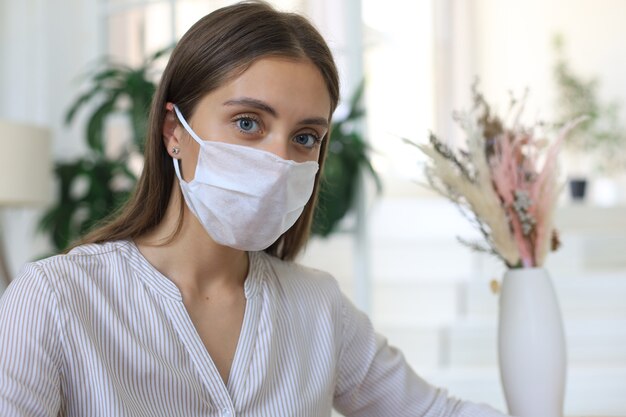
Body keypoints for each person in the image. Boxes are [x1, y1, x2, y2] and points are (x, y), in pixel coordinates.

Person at [0, 2, 509, 416]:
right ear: (174, 132)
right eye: (248, 123)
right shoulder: (55, 301)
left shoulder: (317, 307)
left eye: (305, 137)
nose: (278, 160)